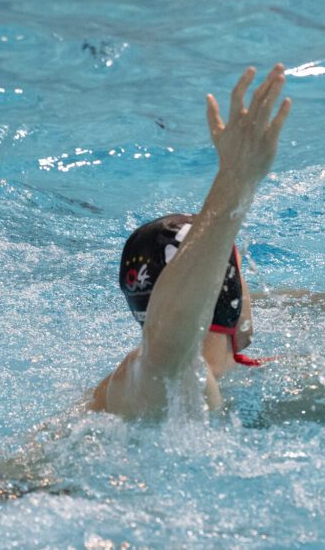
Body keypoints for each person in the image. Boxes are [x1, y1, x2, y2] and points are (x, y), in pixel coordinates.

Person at [89, 64, 290, 418]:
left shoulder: (122, 390)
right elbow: (168, 342)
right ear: (222, 291)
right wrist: (236, 180)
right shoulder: (170, 384)